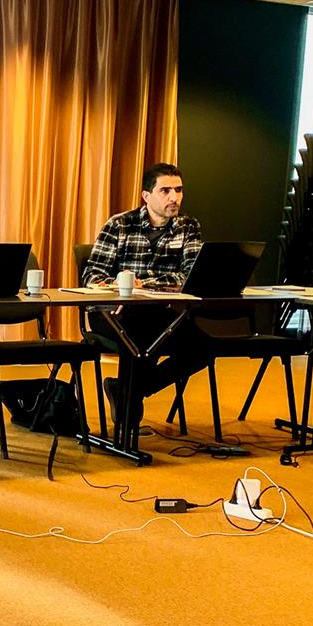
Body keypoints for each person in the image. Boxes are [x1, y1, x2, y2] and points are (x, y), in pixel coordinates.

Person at [82, 163, 208, 432]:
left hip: (161, 312)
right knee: (140, 338)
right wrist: (119, 285)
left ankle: (127, 391)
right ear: (146, 196)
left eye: (178, 190)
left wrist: (143, 282)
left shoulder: (188, 227)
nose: (174, 197)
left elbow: (190, 276)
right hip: (113, 312)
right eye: (165, 191)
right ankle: (128, 411)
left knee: (203, 349)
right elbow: (91, 276)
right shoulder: (119, 224)